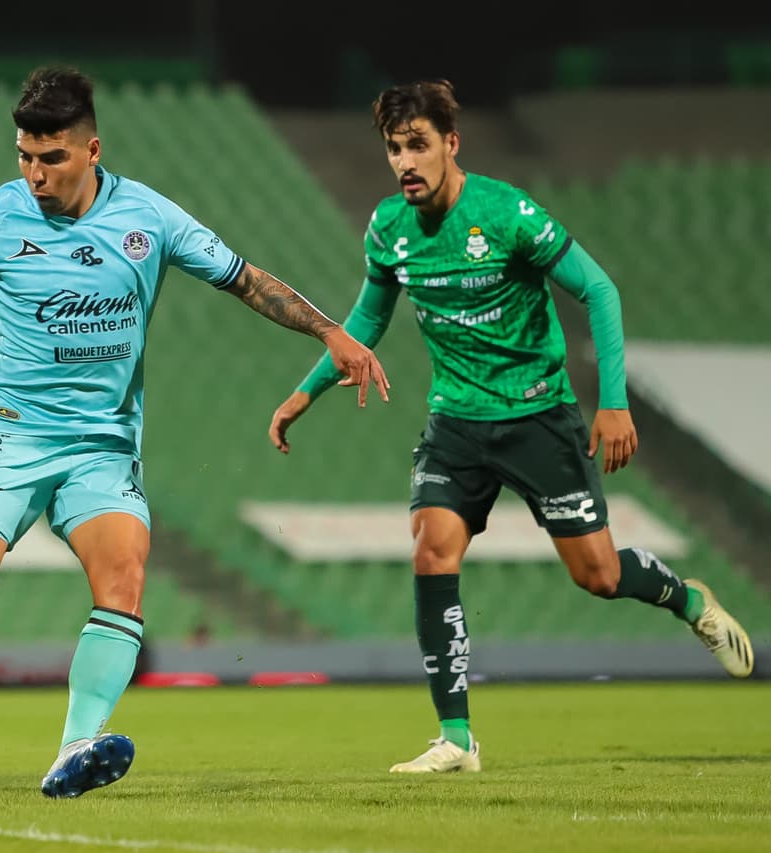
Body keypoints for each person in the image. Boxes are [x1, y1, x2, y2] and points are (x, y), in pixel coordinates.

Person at [0, 65, 389, 797]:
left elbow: (245, 278)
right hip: (11, 436)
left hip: (102, 446)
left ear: (91, 150)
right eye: (25, 156)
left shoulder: (148, 217)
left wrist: (328, 330)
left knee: (125, 577)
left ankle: (74, 746)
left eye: (51, 158)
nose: (36, 174)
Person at [267, 79, 755, 774]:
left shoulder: (507, 214)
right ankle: (456, 738)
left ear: (451, 143)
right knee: (432, 550)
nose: (405, 162)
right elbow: (368, 319)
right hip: (456, 423)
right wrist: (304, 392)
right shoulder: (389, 227)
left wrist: (614, 402)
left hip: (537, 418)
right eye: (394, 149)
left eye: (418, 145)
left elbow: (599, 290)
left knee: (598, 574)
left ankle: (687, 598)